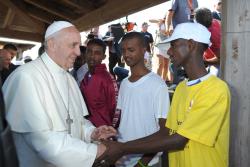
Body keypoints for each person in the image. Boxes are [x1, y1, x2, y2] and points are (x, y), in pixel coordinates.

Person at [95, 23, 231, 167]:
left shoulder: (215, 89)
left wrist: (123, 149)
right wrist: (118, 144)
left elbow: (179, 140)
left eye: (174, 45)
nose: (169, 52)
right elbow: (166, 132)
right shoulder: (181, 88)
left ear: (191, 45)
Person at [2, 21, 116, 167]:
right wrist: (96, 151)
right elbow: (43, 141)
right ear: (52, 44)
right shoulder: (26, 77)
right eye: (72, 45)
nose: (78, 52)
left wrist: (92, 133)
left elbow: (77, 120)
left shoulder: (69, 78)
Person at [113, 32, 170, 167]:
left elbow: (164, 131)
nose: (126, 55)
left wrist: (142, 163)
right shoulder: (124, 84)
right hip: (122, 159)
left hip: (146, 162)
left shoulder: (158, 84)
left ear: (144, 50)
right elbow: (124, 121)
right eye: (124, 50)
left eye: (131, 50)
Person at [80, 38, 118, 127]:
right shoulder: (86, 76)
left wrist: (110, 130)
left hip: (102, 131)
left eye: (97, 53)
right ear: (85, 53)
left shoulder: (107, 79)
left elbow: (116, 108)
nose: (92, 56)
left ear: (103, 57)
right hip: (86, 130)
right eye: (89, 51)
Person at [165, 0, 199, 85]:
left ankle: (189, 80)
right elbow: (169, 14)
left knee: (189, 57)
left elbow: (193, 17)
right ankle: (176, 83)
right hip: (178, 33)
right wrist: (168, 27)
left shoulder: (195, 2)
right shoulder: (177, 0)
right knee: (176, 57)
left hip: (190, 34)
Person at [195, 7, 221, 76]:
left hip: (218, 65)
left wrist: (205, 62)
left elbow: (221, 59)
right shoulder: (215, 21)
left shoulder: (211, 35)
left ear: (198, 22)